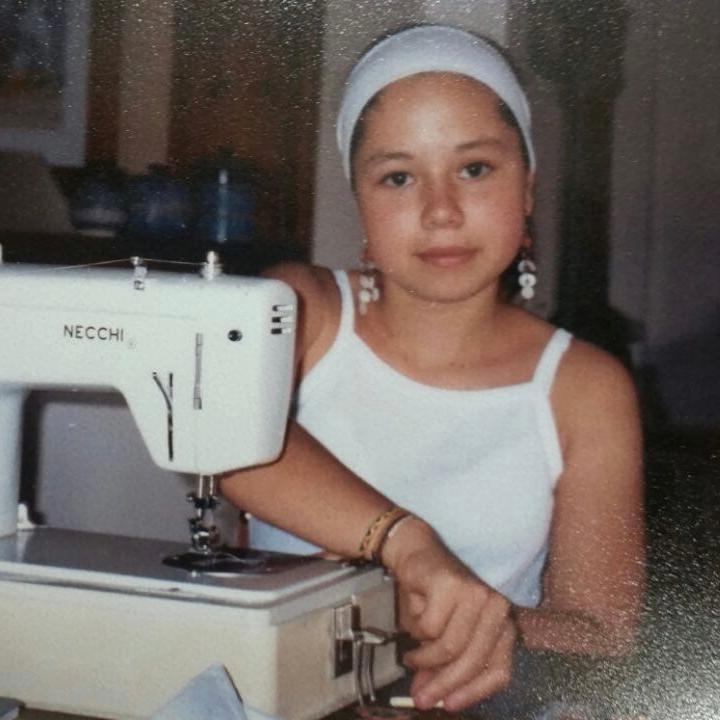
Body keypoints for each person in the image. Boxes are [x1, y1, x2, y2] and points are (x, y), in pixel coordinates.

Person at [220, 24, 645, 716]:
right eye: (398, 176)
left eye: (475, 168)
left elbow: (601, 630)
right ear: (359, 200)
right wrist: (407, 550)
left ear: (529, 185)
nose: (441, 210)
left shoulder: (585, 387)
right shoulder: (301, 311)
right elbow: (232, 441)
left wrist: (478, 626)